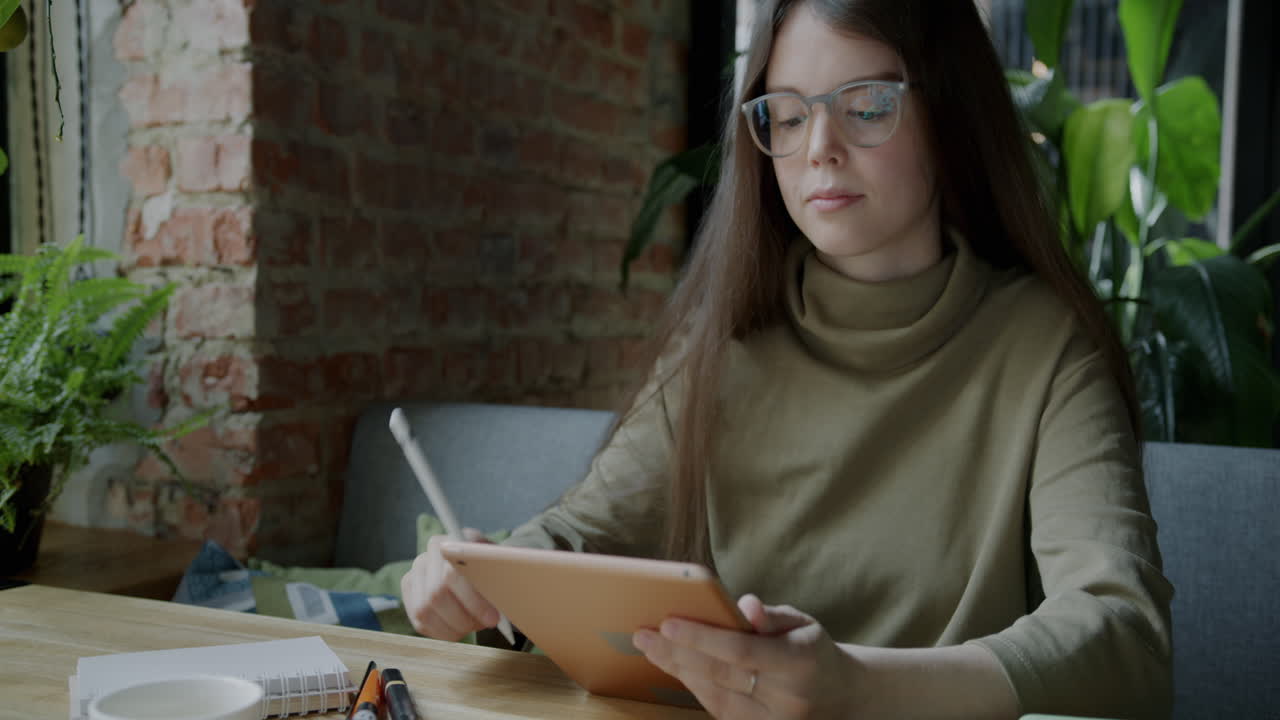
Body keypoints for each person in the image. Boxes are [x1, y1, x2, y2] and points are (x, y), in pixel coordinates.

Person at [401, 1, 1174, 718]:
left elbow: (1123, 637)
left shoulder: (1047, 347)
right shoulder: (721, 341)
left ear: (950, 112)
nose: (819, 149)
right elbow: (580, 536)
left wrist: (857, 686)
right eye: (788, 114)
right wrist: (483, 577)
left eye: (867, 105)